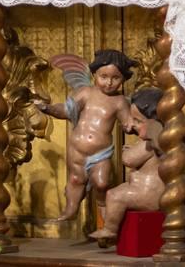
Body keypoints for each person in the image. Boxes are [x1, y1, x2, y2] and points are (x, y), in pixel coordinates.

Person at [35, 50, 136, 221]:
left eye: (115, 78)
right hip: (77, 150)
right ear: (94, 74)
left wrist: (134, 125)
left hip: (101, 154)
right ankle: (70, 209)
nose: (109, 83)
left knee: (102, 183)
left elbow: (128, 123)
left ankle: (104, 210)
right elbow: (67, 110)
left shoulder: (119, 102)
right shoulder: (86, 93)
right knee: (75, 180)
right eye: (103, 76)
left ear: (123, 79)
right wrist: (48, 108)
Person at [90, 87, 165, 243]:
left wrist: (127, 152)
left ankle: (110, 230)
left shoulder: (150, 144)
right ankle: (109, 226)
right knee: (117, 191)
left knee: (115, 196)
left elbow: (128, 160)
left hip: (148, 194)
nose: (133, 125)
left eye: (138, 121)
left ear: (154, 124)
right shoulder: (152, 142)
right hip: (142, 189)